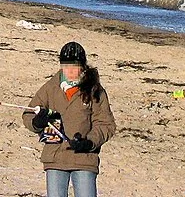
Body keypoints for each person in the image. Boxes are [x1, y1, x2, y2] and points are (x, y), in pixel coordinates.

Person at [23, 42, 117, 197]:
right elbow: (28, 113)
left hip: (84, 158)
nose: (70, 71)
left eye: (74, 66)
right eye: (66, 66)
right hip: (55, 157)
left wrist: (89, 142)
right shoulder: (50, 87)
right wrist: (36, 122)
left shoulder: (95, 90)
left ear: (83, 66)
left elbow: (106, 124)